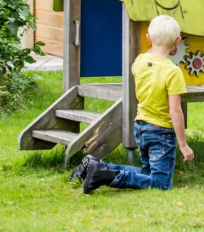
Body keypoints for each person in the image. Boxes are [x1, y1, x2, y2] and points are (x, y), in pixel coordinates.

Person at [70, 14, 195, 193]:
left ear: (148, 38)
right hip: (161, 132)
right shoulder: (172, 72)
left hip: (141, 126)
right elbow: (175, 110)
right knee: (161, 183)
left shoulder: (140, 62)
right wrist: (183, 144)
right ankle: (104, 174)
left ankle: (96, 165)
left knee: (147, 173)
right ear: (177, 40)